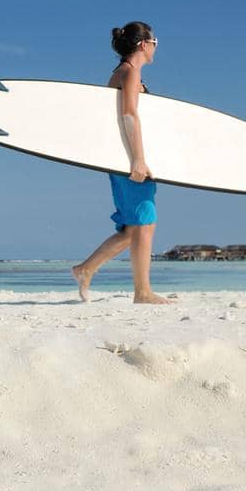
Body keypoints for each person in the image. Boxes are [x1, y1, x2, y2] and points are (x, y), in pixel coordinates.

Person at [71, 22, 171, 305]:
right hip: (129, 161)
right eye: (155, 41)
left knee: (132, 230)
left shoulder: (125, 73)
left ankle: (85, 269)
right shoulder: (129, 72)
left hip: (125, 160)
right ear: (144, 44)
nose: (155, 47)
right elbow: (128, 115)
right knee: (144, 224)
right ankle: (143, 292)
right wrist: (138, 160)